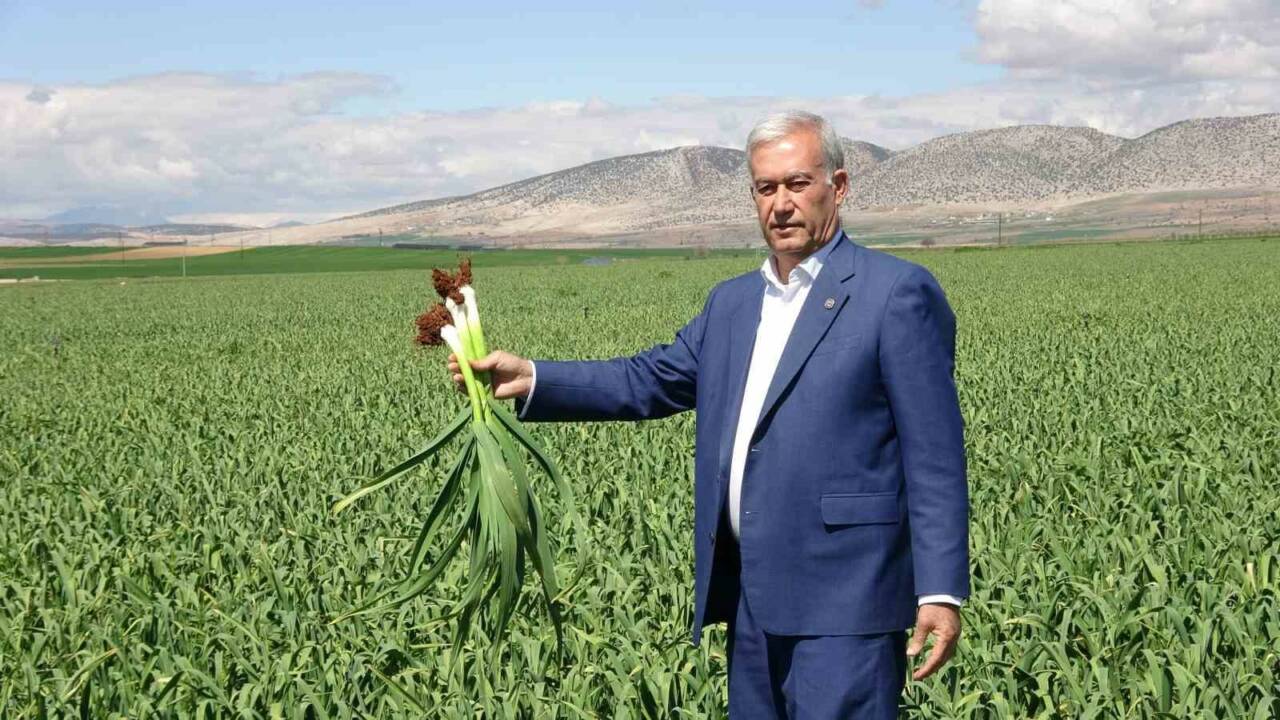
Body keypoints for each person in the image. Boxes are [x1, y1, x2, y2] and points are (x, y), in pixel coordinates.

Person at [448, 110, 969, 718]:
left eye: (798, 184)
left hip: (847, 605)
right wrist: (534, 376)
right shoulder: (733, 303)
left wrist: (940, 589)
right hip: (750, 600)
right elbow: (649, 380)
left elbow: (933, 453)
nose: (781, 204)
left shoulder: (894, 292)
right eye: (766, 188)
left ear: (840, 186)